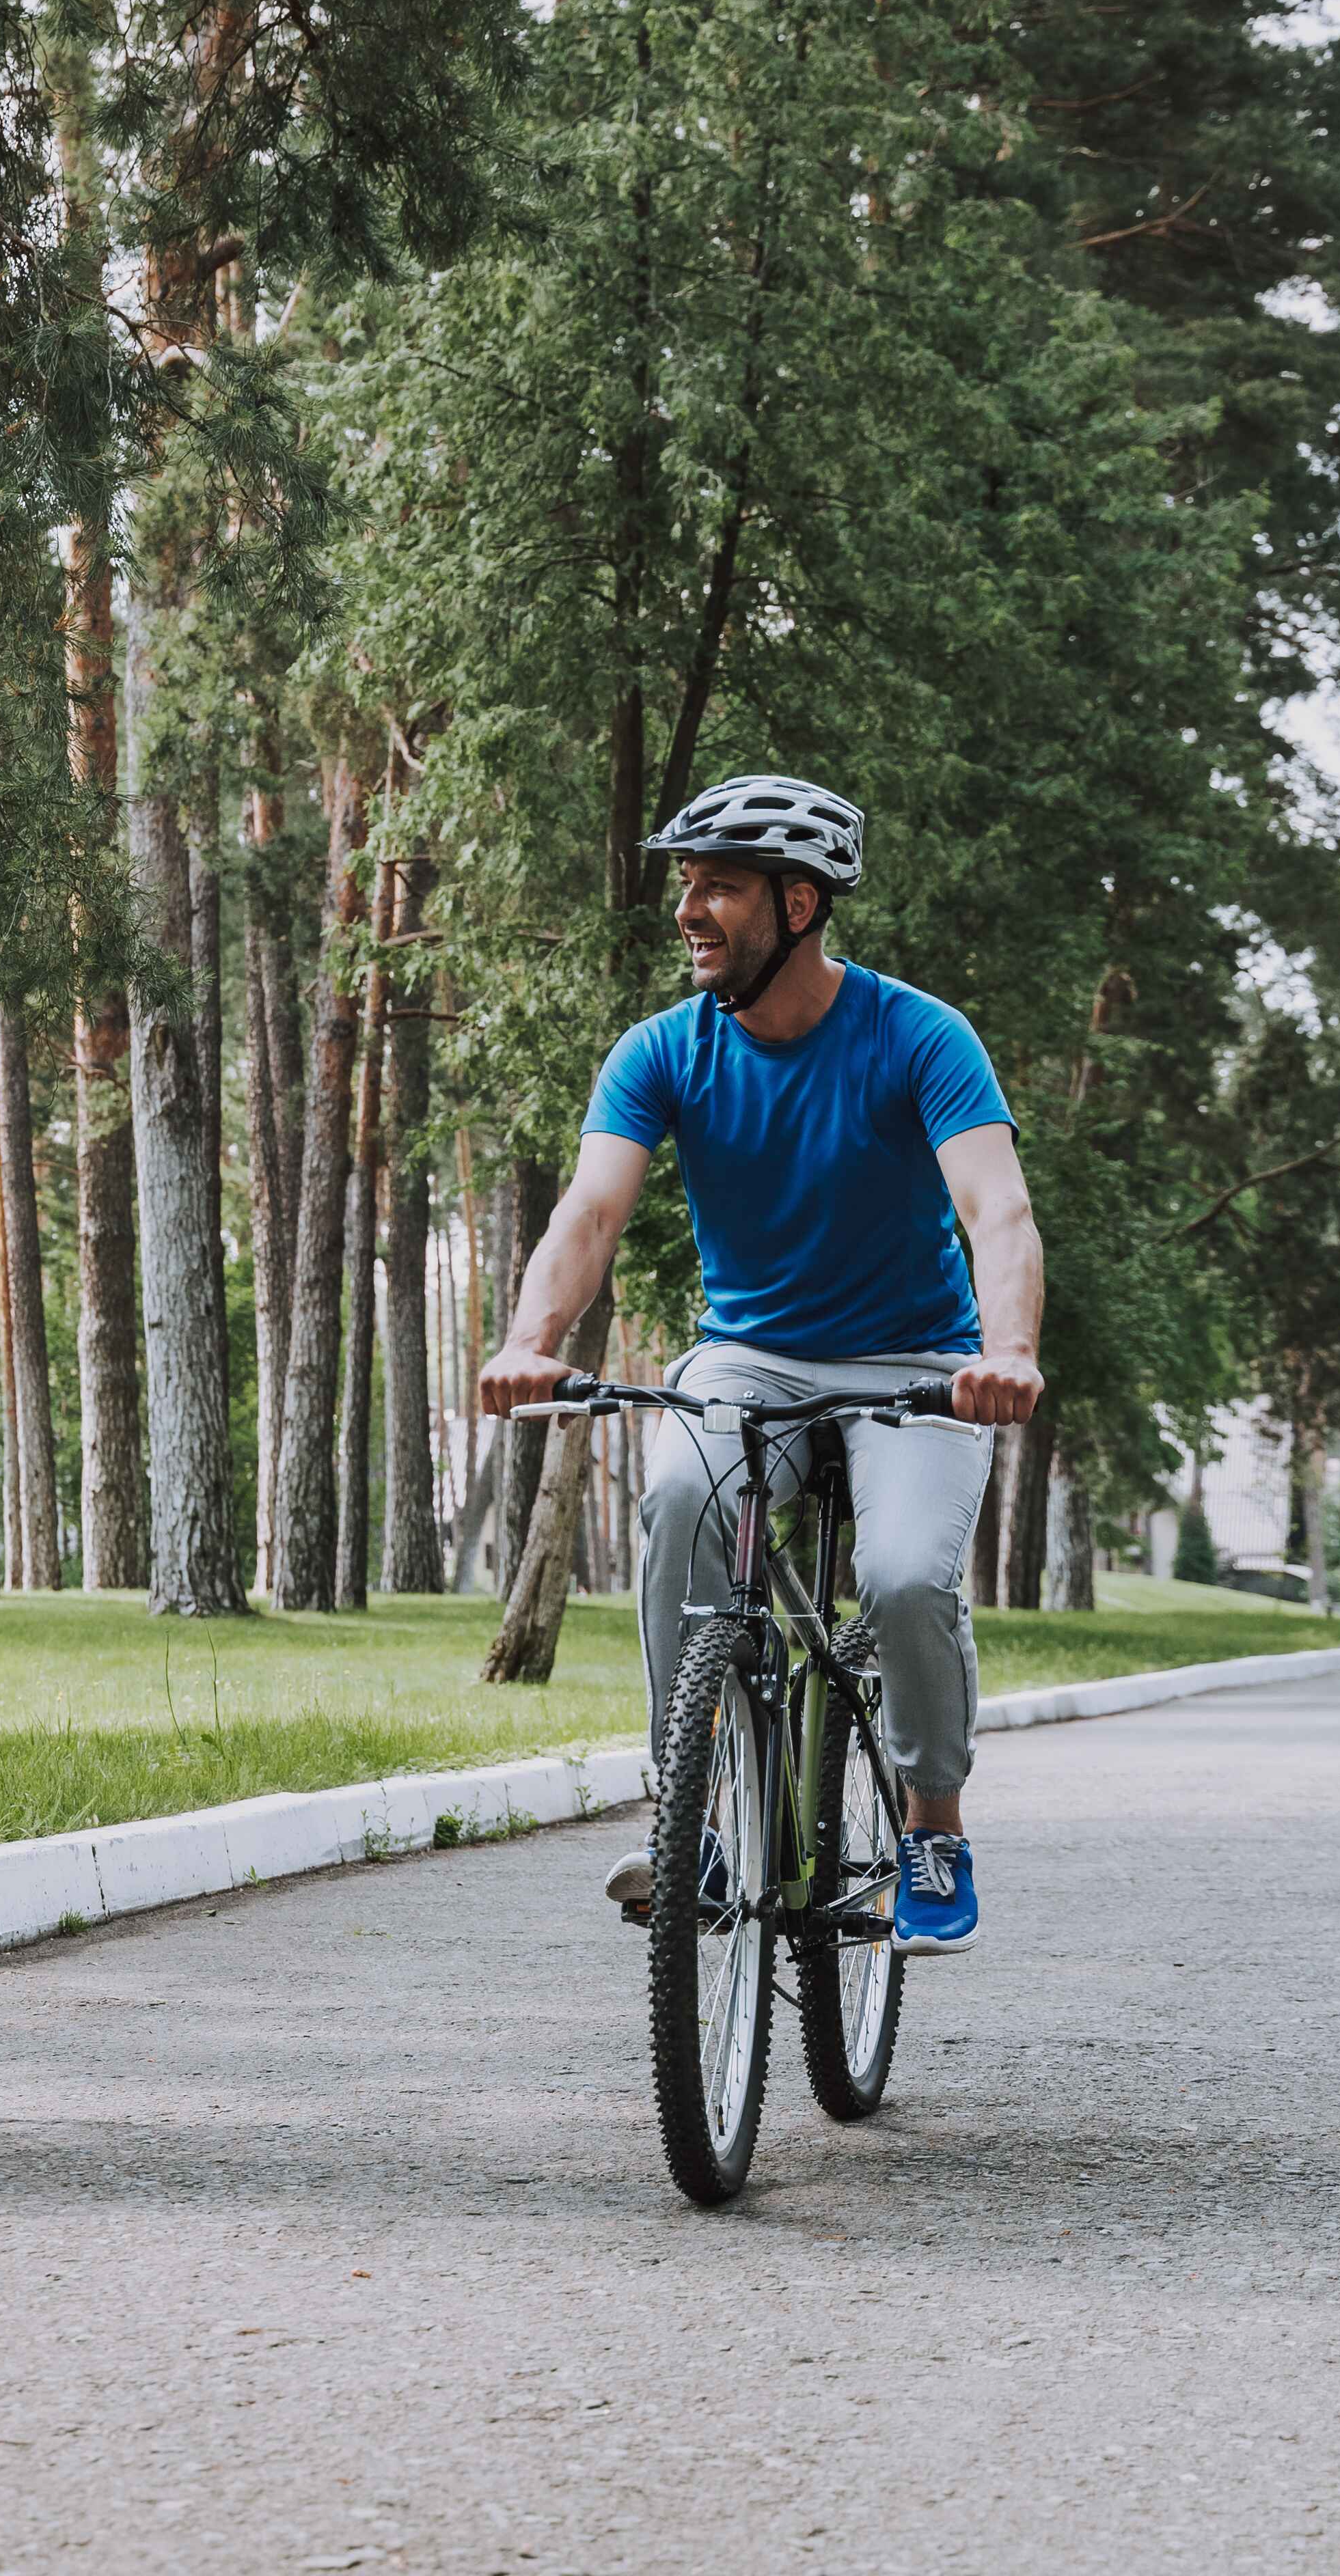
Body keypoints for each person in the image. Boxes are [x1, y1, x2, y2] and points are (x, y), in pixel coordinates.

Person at [472, 776, 1044, 1954]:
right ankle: (702, 1805)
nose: (690, 908)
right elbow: (587, 1215)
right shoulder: (661, 1052)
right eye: (686, 883)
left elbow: (997, 1210)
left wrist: (1010, 1356)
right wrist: (530, 1343)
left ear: (798, 904)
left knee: (898, 1577)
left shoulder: (919, 1036)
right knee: (680, 1499)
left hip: (918, 1363)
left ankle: (933, 1822)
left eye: (718, 885)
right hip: (749, 1360)